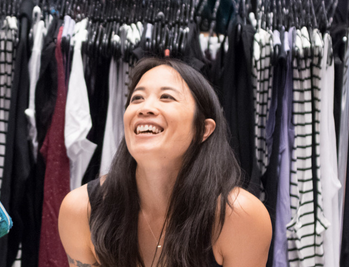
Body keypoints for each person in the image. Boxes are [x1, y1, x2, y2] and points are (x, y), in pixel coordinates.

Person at [58, 57, 273, 267]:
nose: (145, 108)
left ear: (203, 130)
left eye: (167, 97)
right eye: (137, 98)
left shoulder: (239, 217)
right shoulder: (81, 210)